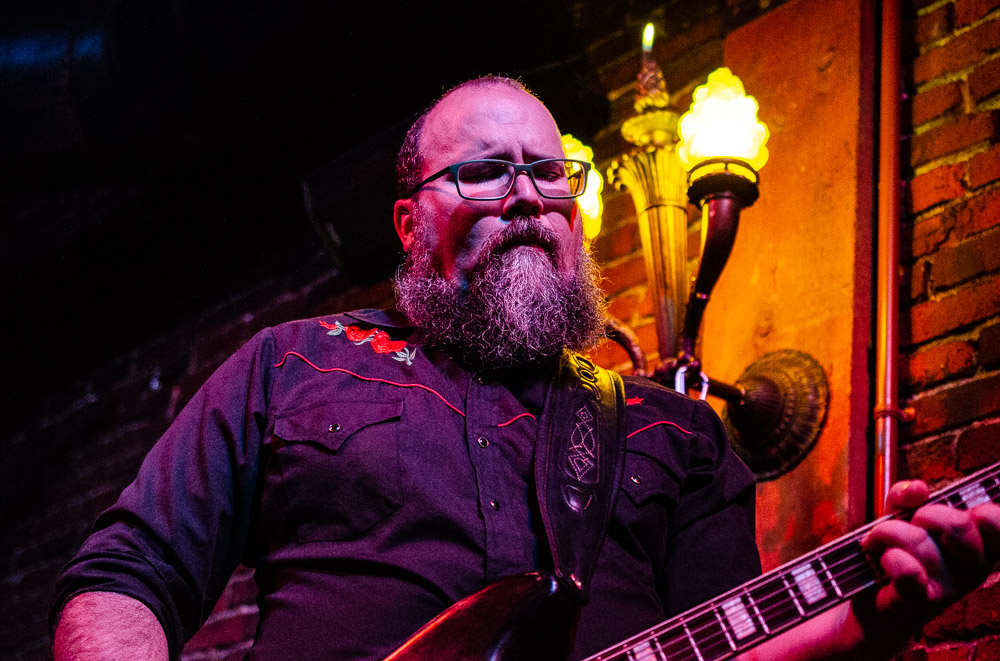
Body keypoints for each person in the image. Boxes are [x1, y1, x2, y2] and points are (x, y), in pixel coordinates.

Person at [52, 76, 1000, 661]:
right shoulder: (296, 363)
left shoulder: (678, 435)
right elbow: (127, 573)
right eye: (483, 172)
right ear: (408, 222)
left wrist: (867, 621)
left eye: (549, 174)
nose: (525, 197)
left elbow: (729, 639)